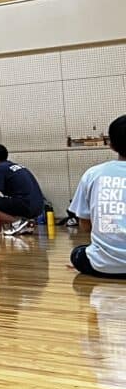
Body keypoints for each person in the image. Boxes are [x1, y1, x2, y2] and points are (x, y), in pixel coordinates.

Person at [67, 114, 126, 279]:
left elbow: (85, 224)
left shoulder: (93, 174)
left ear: (111, 145)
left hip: (103, 266)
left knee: (78, 253)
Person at [0, 143, 46, 236]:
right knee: (6, 202)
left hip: (25, 205)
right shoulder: (15, 166)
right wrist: (1, 215)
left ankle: (17, 222)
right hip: (39, 208)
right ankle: (25, 226)